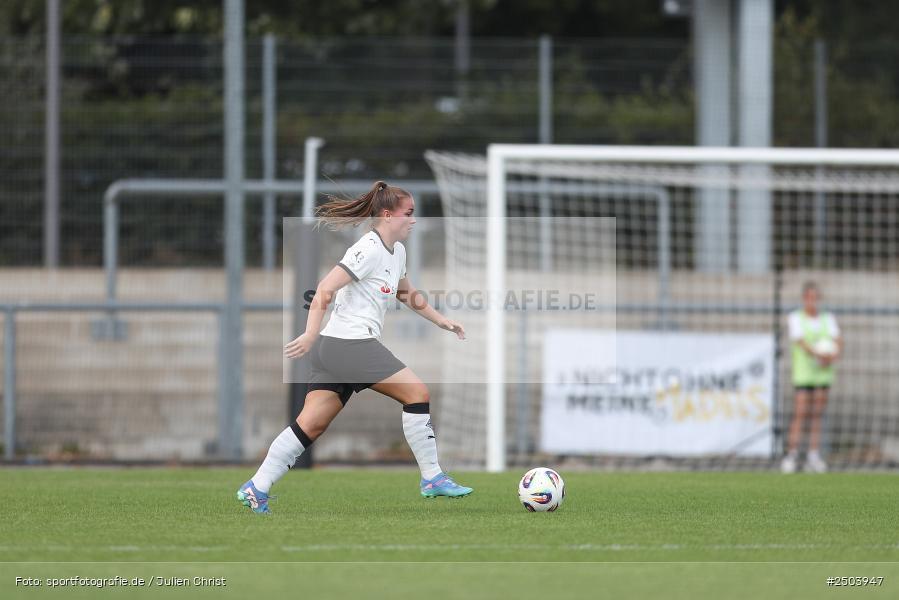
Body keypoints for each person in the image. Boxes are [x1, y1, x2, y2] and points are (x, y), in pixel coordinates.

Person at [237, 181, 473, 513]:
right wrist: (308, 333)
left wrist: (441, 320)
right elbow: (324, 289)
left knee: (311, 425)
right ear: (388, 215)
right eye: (409, 213)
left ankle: (256, 488)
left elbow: (406, 292)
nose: (414, 221)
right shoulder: (369, 248)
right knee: (417, 393)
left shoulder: (397, 252)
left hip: (340, 348)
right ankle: (432, 477)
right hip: (348, 344)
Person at [781, 281, 842, 474]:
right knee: (800, 413)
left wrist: (833, 354)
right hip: (804, 374)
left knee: (817, 415)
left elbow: (838, 340)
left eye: (815, 298)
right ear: (803, 298)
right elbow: (801, 342)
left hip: (823, 373)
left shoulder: (828, 318)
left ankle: (813, 455)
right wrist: (819, 354)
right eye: (809, 297)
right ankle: (791, 455)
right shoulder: (795, 318)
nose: (812, 301)